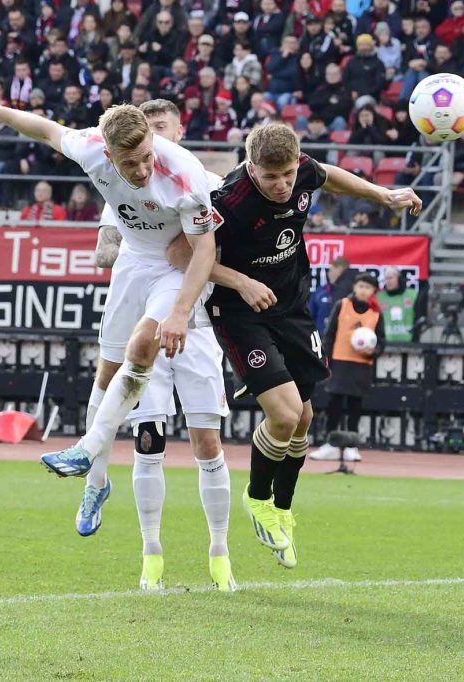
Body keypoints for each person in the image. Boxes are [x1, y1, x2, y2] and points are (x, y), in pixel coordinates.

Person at [167, 123, 421, 570]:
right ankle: (257, 498)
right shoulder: (230, 200)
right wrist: (241, 281)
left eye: (287, 174)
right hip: (241, 312)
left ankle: (283, 506)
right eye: (271, 178)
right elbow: (180, 254)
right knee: (284, 415)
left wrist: (383, 195)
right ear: (251, 168)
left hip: (291, 306)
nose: (283, 185)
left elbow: (328, 174)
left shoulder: (302, 169)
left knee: (304, 416)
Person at [0, 82, 218, 536]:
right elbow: (44, 129)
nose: (143, 168)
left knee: (146, 340)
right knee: (105, 374)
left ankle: (86, 445)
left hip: (172, 268)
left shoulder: (185, 173)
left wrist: (181, 312)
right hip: (133, 261)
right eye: (131, 163)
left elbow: (204, 252)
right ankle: (96, 484)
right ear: (107, 152)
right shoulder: (90, 148)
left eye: (147, 155)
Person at [89, 98, 236, 592]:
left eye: (159, 128)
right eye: (146, 131)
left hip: (195, 332)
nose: (152, 140)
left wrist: (208, 264)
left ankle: (220, 552)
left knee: (207, 443)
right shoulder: (124, 183)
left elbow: (209, 248)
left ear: (177, 129)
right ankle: (151, 553)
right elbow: (109, 240)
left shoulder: (204, 184)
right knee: (147, 438)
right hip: (151, 324)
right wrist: (117, 248)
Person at [309, 272, 387, 463]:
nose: (363, 290)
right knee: (334, 403)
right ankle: (330, 444)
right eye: (360, 286)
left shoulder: (376, 313)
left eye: (368, 287)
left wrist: (373, 350)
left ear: (373, 291)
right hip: (340, 362)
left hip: (361, 365)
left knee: (355, 405)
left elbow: (382, 342)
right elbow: (329, 334)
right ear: (354, 287)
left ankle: (352, 445)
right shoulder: (342, 305)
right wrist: (325, 360)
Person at [376, 266, 420, 343]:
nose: (388, 281)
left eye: (391, 278)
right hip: (385, 342)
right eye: (386, 279)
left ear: (399, 279)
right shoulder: (379, 297)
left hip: (409, 341)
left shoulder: (413, 295)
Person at [308, 256, 351, 334]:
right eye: (331, 269)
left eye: (341, 271)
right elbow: (309, 317)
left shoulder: (351, 294)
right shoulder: (319, 292)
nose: (330, 273)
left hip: (342, 338)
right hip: (320, 338)